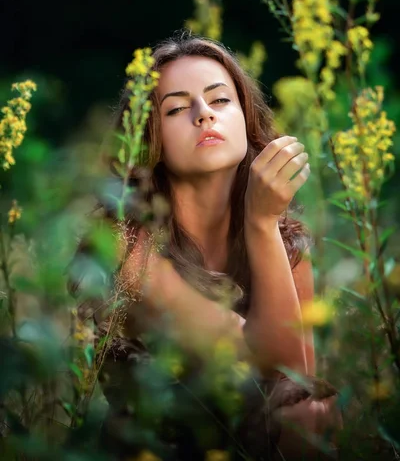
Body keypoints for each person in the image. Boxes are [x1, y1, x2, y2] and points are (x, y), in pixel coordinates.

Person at [72, 33, 343, 460]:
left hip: (251, 435)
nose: (204, 115)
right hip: (161, 442)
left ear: (246, 116)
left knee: (313, 415)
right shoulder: (127, 245)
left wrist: (265, 225)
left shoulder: (285, 234)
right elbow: (261, 366)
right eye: (177, 108)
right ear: (149, 138)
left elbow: (298, 381)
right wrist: (260, 221)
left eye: (220, 100)